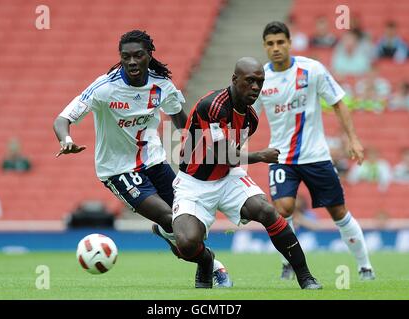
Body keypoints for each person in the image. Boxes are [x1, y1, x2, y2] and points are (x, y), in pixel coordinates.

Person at [53, 30, 232, 287]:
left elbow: (181, 122)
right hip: (118, 170)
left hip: (155, 162)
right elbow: (63, 119)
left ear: (149, 55)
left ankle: (167, 234)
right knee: (173, 220)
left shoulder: (162, 86)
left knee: (192, 224)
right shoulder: (104, 88)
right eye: (125, 57)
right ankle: (210, 264)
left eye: (138, 55)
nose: (132, 61)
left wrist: (204, 147)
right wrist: (66, 140)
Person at [172, 57, 322, 290]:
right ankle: (207, 261)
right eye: (249, 81)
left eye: (260, 82)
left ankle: (306, 277)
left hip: (227, 178)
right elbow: (221, 153)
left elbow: (229, 157)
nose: (255, 87)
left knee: (267, 211)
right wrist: (260, 156)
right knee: (187, 242)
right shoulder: (213, 106)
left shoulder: (251, 119)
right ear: (234, 79)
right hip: (193, 183)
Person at [253, 22, 375, 280]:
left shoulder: (312, 69)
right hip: (281, 157)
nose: (276, 48)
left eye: (280, 42)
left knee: (338, 213)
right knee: (283, 208)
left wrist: (353, 139)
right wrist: (239, 146)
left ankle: (365, 266)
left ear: (289, 42)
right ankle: (289, 261)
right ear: (265, 47)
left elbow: (338, 102)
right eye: (270, 43)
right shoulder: (260, 79)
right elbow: (250, 117)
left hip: (316, 156)